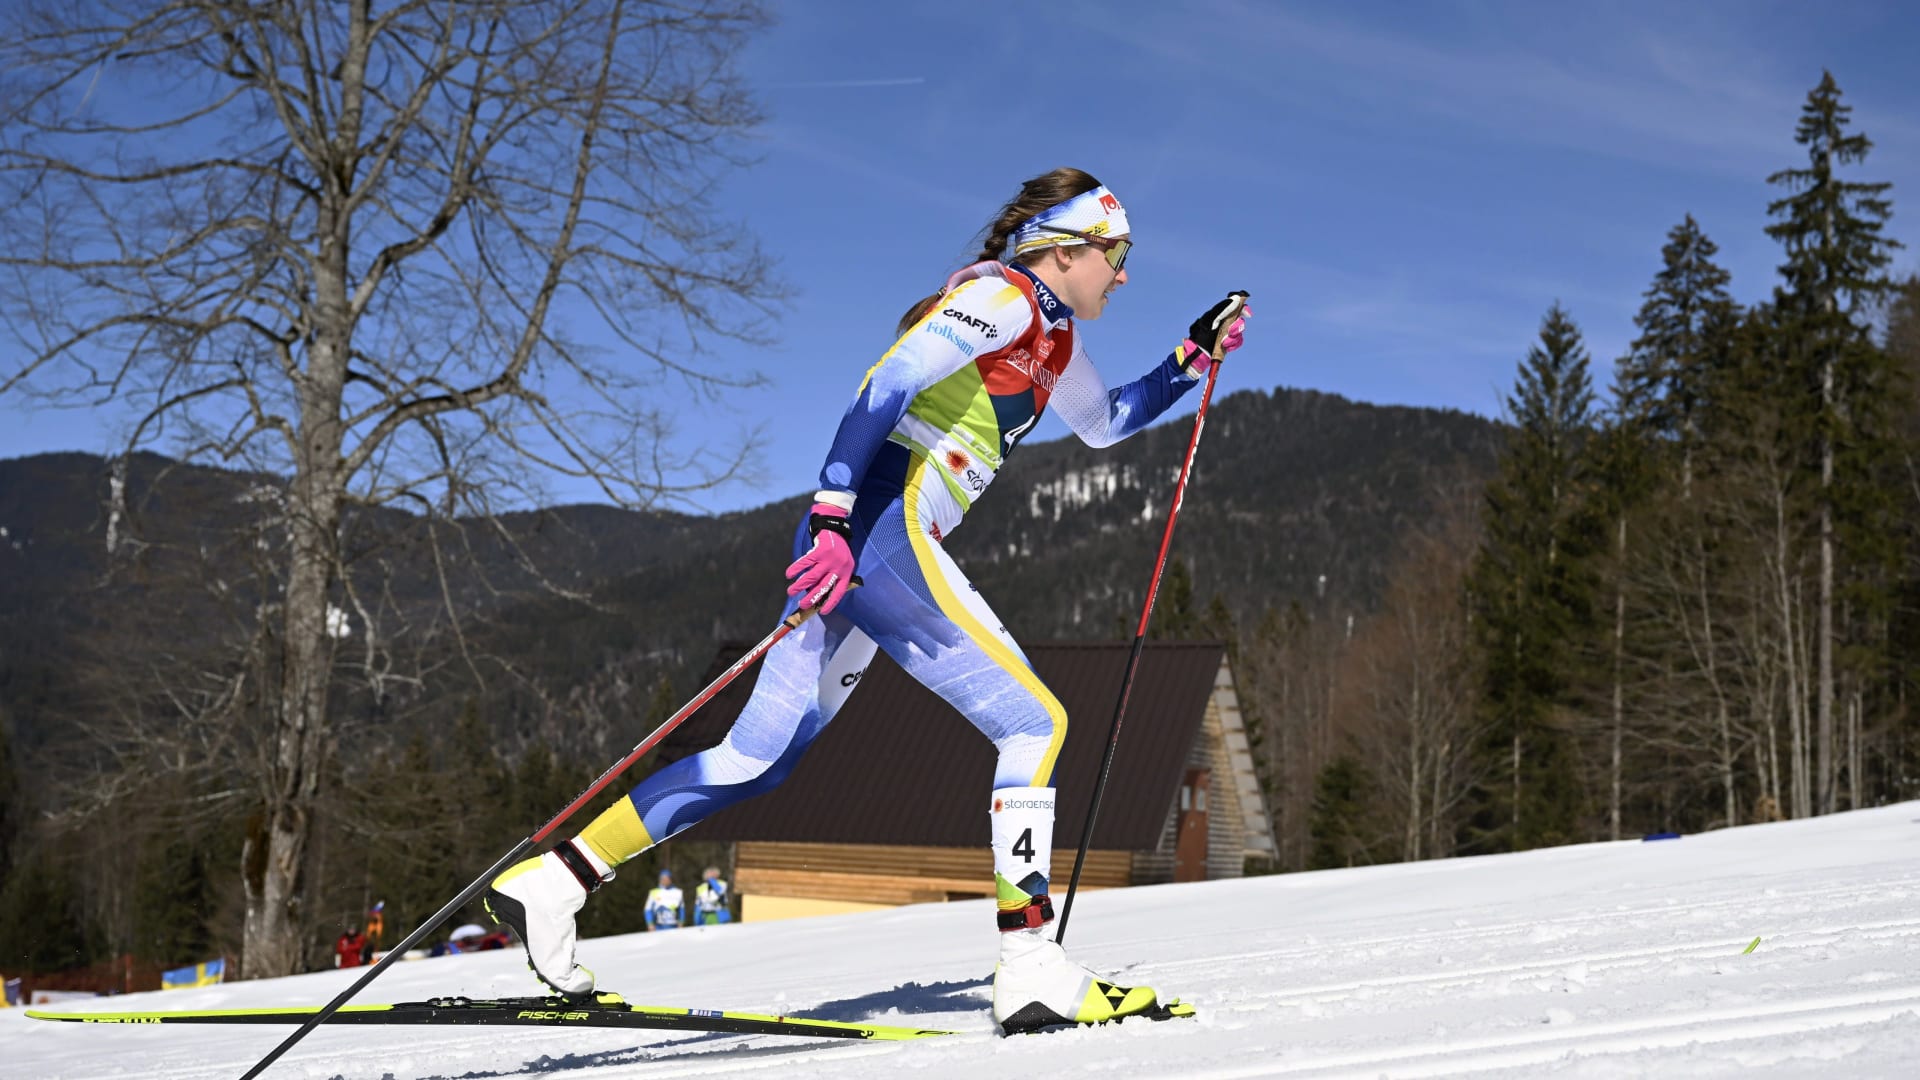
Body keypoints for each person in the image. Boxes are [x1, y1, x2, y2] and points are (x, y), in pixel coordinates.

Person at [485, 168, 1251, 1033]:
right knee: (1034, 724)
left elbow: (1108, 419)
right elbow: (883, 385)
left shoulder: (1058, 342)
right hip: (877, 536)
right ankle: (1032, 964)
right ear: (1063, 250)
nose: (1123, 273)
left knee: (754, 759)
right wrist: (832, 518)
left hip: (862, 550)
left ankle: (555, 881)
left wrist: (1194, 358)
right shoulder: (1002, 297)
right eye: (1117, 255)